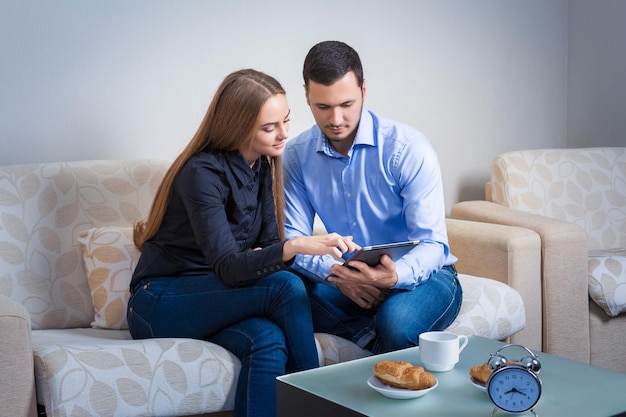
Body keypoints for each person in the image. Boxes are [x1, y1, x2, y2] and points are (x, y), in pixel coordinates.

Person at [127, 69, 358, 417]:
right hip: (159, 303)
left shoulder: (261, 167)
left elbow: (265, 248)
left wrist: (323, 262)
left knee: (267, 340)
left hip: (215, 298)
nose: (284, 134)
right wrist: (293, 247)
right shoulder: (201, 173)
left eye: (286, 121)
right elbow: (231, 268)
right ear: (238, 126)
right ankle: (319, 402)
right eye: (269, 127)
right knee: (284, 286)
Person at [282, 41, 462, 355]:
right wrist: (338, 276)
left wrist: (395, 276)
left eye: (347, 104)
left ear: (364, 89)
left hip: (423, 276)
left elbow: (433, 244)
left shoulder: (408, 149)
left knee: (396, 321)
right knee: (281, 291)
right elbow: (293, 239)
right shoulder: (296, 156)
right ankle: (373, 340)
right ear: (306, 95)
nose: (336, 118)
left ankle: (377, 335)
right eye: (323, 107)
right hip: (349, 276)